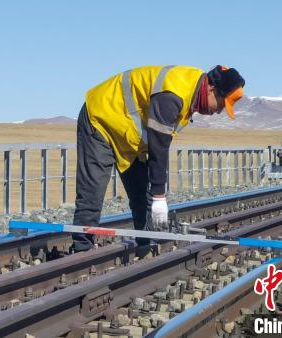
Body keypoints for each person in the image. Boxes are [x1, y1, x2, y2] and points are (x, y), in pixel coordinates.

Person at [71, 65, 245, 253]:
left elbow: (157, 143)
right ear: (211, 89)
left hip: (128, 136)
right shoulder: (173, 94)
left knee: (142, 195)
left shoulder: (191, 93)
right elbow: (159, 147)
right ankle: (81, 250)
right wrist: (160, 196)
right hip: (101, 119)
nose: (219, 111)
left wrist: (156, 195)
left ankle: (145, 248)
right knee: (92, 191)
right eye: (221, 104)